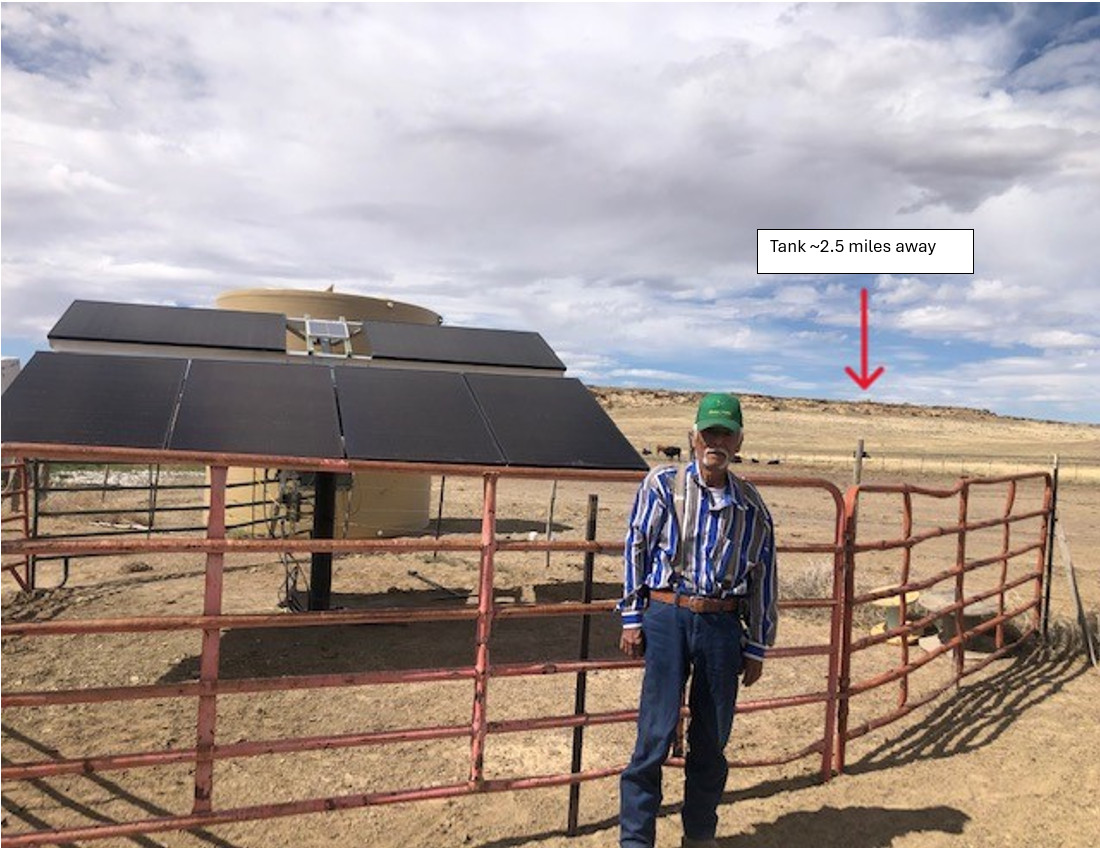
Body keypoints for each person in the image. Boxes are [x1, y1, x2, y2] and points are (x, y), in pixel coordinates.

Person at [618, 392, 778, 848]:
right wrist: (632, 616)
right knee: (654, 732)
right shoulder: (662, 485)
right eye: (709, 433)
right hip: (668, 614)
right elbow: (636, 546)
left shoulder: (752, 506)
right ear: (693, 437)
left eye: (726, 433)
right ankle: (636, 841)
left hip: (723, 625)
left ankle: (700, 836)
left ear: (739, 440)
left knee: (711, 740)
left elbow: (764, 574)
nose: (716, 442)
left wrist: (757, 644)